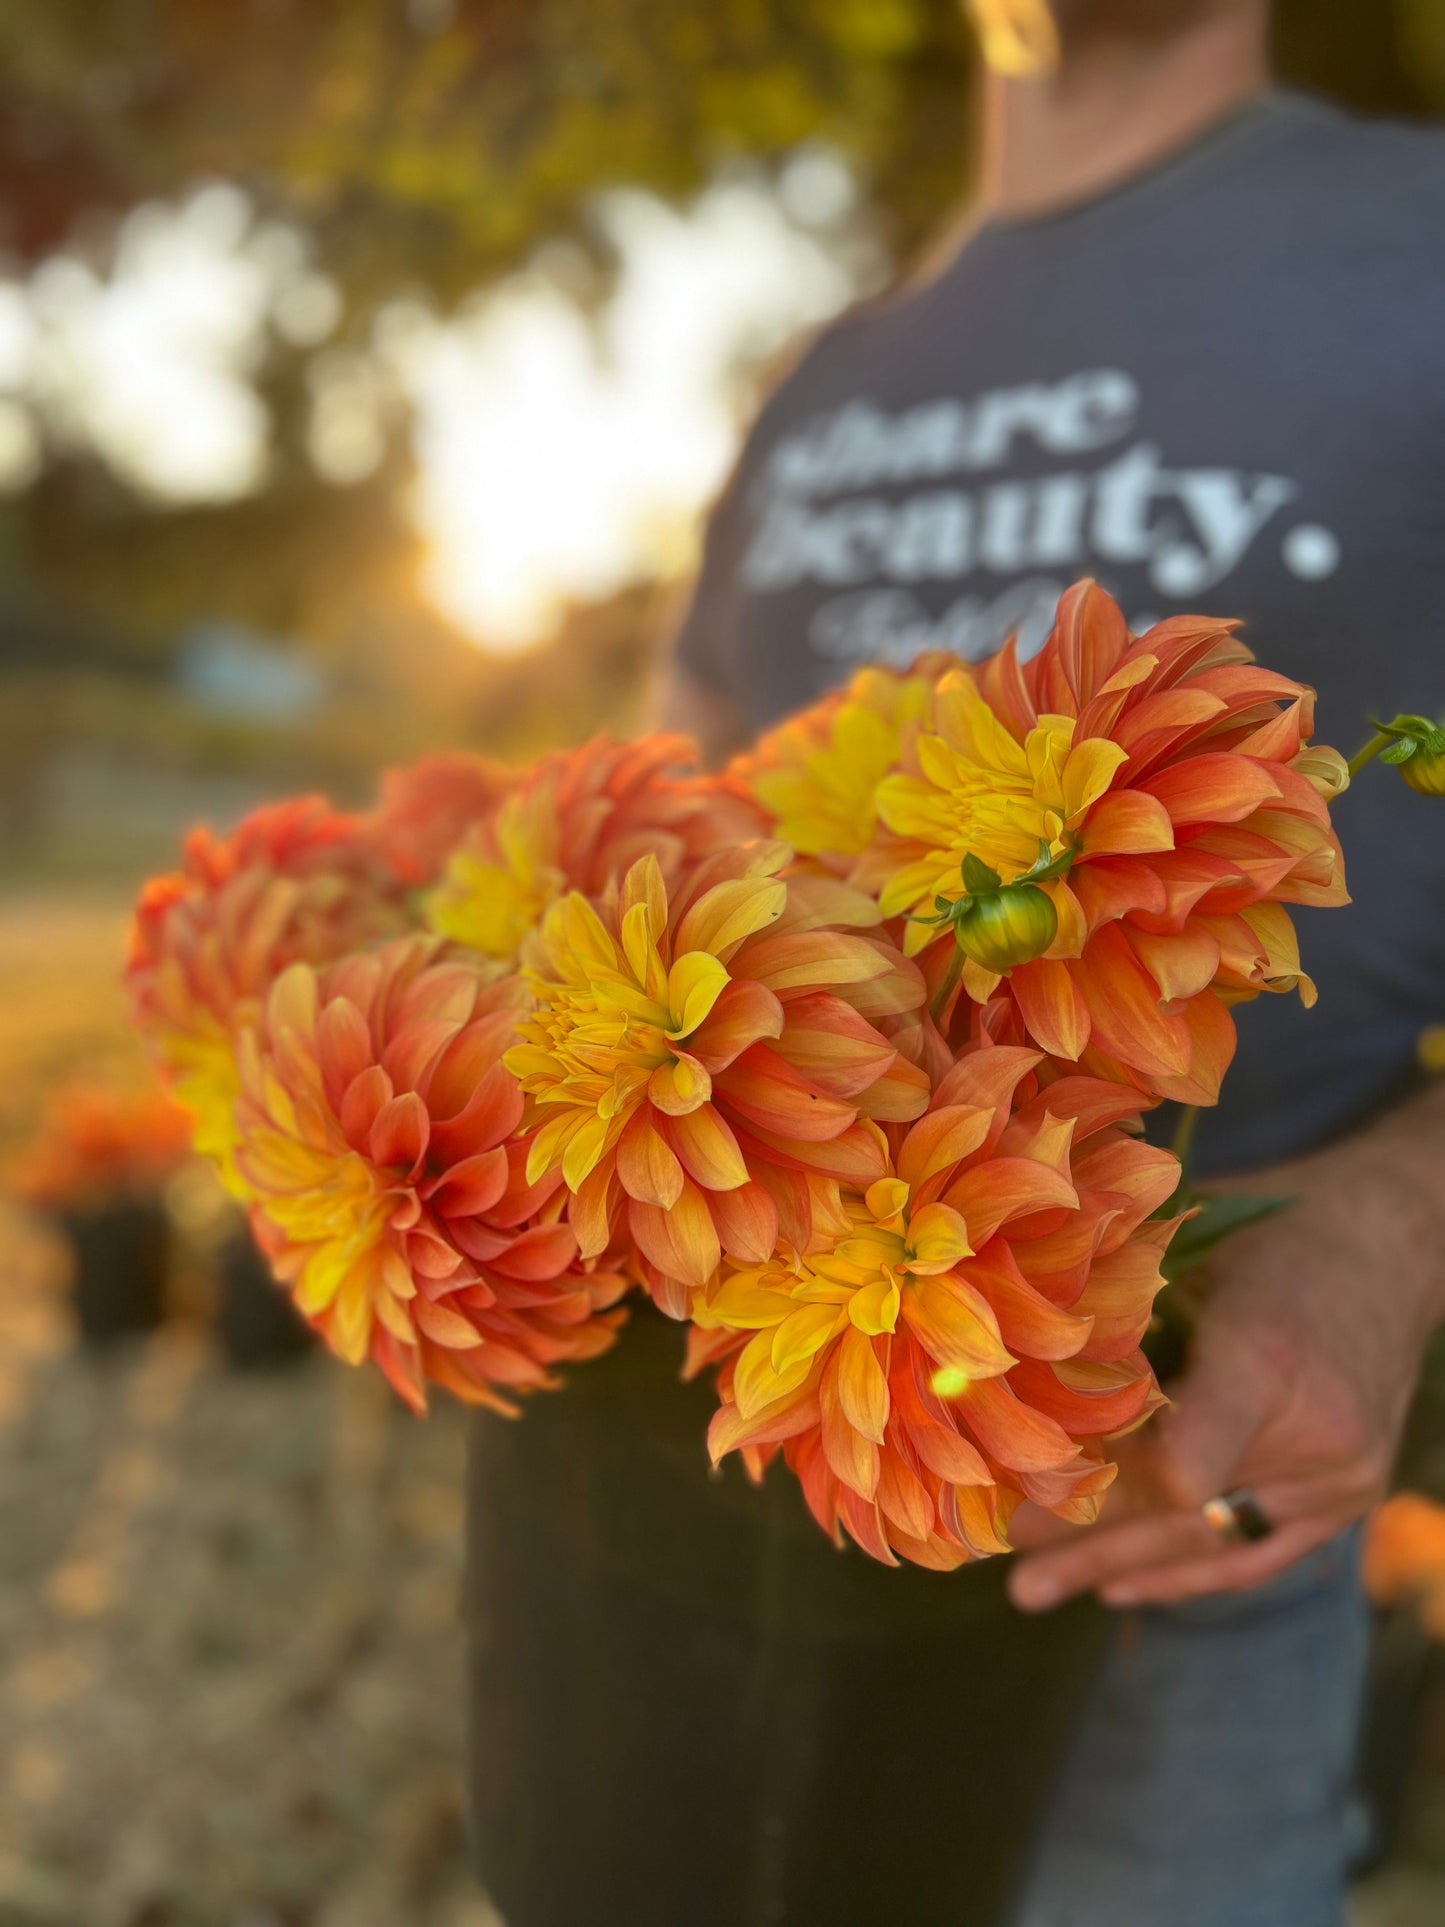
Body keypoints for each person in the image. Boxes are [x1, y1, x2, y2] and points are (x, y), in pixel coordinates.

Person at [662, 2, 1445, 1920]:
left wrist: (1378, 1233)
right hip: (724, 1540)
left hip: (1173, 1552)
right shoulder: (822, 374)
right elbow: (639, 855)